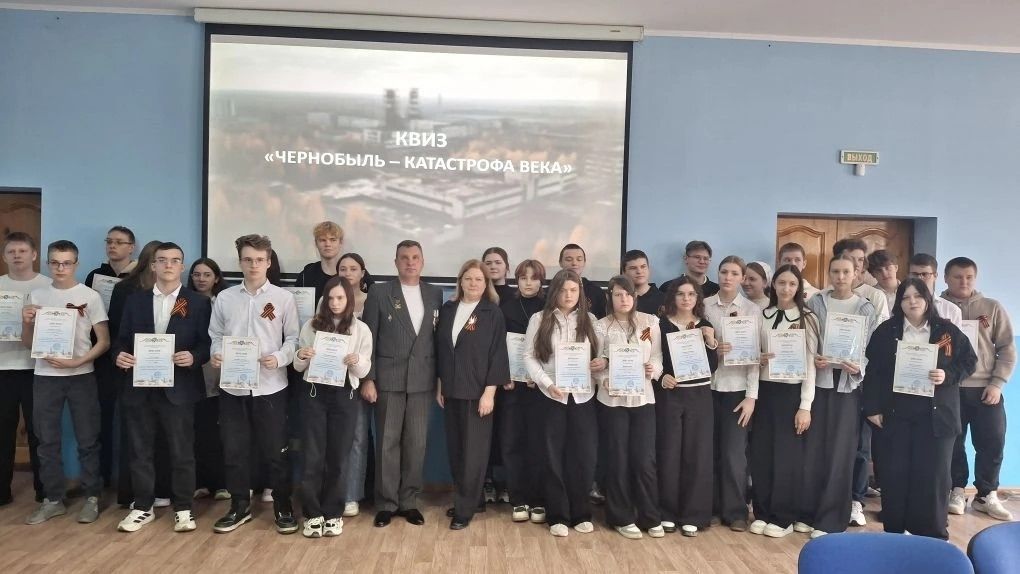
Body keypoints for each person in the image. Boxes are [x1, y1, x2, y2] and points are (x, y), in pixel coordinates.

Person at [863, 278, 976, 539]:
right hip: (896, 416)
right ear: (899, 302)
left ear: (927, 299)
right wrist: (872, 407)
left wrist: (947, 375)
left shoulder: (946, 330)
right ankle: (894, 533)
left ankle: (932, 537)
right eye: (905, 297)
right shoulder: (886, 331)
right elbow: (874, 372)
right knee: (895, 474)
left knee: (933, 478)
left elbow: (969, 361)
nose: (912, 302)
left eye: (917, 296)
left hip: (937, 417)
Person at [113, 242, 212, 533]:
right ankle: (143, 507)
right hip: (140, 388)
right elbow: (121, 339)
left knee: (182, 452)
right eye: (162, 260)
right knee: (140, 451)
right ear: (153, 265)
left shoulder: (198, 302)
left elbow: (207, 344)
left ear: (182, 266)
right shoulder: (136, 301)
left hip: (179, 389)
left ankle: (183, 508)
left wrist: (194, 357)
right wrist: (119, 355)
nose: (168, 265)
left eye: (175, 260)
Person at [209, 234, 300, 534]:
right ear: (240, 262)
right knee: (234, 449)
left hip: (270, 387)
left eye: (260, 260)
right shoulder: (225, 298)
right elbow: (215, 335)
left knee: (276, 451)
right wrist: (216, 354)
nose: (254, 265)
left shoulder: (284, 299)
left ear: (269, 262)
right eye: (248, 260)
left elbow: (294, 339)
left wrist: (280, 358)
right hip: (233, 387)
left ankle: (283, 506)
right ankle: (239, 507)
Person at [22, 240, 109, 525]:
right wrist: (27, 322)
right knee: (46, 440)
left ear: (76, 264)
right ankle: (53, 499)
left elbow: (104, 342)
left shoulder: (90, 296)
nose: (61, 268)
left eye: (67, 263)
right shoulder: (37, 295)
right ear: (47, 263)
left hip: (81, 377)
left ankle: (92, 496)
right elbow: (28, 343)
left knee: (88, 439)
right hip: (45, 377)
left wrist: (78, 361)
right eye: (55, 263)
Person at [361, 240, 443, 528]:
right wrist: (368, 379)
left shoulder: (434, 294)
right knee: (387, 443)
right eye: (404, 257)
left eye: (415, 257)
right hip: (389, 379)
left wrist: (439, 380)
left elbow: (436, 339)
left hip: (422, 380)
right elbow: (368, 338)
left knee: (416, 444)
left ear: (422, 261)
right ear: (395, 262)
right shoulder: (380, 292)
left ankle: (409, 502)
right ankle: (386, 504)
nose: (410, 262)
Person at [802, 254, 878, 538]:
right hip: (819, 381)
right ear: (829, 274)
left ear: (856, 274)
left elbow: (872, 349)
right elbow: (806, 339)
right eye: (835, 271)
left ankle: (831, 519)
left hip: (848, 386)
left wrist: (860, 367)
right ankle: (809, 512)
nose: (841, 277)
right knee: (814, 449)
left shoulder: (866, 308)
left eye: (846, 271)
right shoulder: (816, 302)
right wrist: (813, 357)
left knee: (840, 452)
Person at [292, 275, 373, 538]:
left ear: (349, 300)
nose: (335, 303)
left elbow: (364, 370)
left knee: (339, 456)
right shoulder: (311, 326)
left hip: (345, 395)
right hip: (314, 393)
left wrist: (356, 360)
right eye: (331, 298)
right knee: (313, 455)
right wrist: (302, 355)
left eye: (340, 298)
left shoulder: (361, 329)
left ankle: (333, 513)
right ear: (324, 300)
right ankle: (312, 514)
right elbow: (298, 365)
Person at [524, 269, 603, 537]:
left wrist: (600, 366)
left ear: (580, 292)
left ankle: (580, 513)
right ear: (554, 292)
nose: (568, 295)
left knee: (583, 456)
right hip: (551, 396)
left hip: (583, 397)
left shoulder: (590, 320)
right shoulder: (539, 319)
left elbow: (601, 356)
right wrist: (547, 383)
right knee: (552, 456)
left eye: (573, 290)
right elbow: (529, 357)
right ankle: (557, 514)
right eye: (563, 290)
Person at [436, 260, 509, 529]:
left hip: (478, 393)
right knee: (456, 450)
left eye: (479, 279)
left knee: (473, 454)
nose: (473, 283)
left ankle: (464, 510)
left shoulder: (492, 313)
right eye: (468, 278)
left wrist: (490, 393)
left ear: (486, 283)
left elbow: (498, 355)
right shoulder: (448, 309)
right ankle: (473, 500)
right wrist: (440, 385)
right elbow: (442, 350)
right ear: (460, 281)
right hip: (451, 390)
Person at [942, 257, 1016, 521]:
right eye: (957, 277)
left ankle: (986, 494)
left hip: (986, 388)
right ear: (946, 278)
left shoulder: (991, 308)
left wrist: (997, 383)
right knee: (953, 442)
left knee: (992, 440)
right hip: (950, 388)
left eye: (969, 277)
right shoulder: (938, 308)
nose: (964, 282)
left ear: (975, 278)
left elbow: (1006, 348)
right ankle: (956, 490)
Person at [749, 264, 819, 538]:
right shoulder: (761, 315)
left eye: (792, 284)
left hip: (791, 394)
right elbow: (752, 356)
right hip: (765, 391)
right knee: (762, 455)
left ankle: (783, 517)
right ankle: (762, 512)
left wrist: (805, 406)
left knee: (786, 458)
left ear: (798, 287)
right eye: (781, 283)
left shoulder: (807, 318)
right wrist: (758, 359)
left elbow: (811, 364)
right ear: (773, 285)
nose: (786, 288)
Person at [594, 275, 665, 539]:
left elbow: (657, 356)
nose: (623, 299)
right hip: (612, 401)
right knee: (617, 459)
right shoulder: (601, 327)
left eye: (628, 294)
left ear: (635, 297)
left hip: (643, 400)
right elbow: (596, 362)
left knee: (645, 460)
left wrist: (653, 369)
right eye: (618, 295)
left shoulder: (650, 322)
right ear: (610, 298)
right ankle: (621, 517)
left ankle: (650, 516)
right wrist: (603, 379)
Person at [831, 238, 888, 528]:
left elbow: (876, 344)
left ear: (859, 269)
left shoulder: (872, 301)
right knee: (830, 443)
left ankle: (855, 500)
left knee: (859, 445)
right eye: (844, 264)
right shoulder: (820, 300)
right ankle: (829, 499)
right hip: (827, 379)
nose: (848, 270)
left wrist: (860, 367)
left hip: (859, 381)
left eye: (858, 262)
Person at [656, 277, 719, 537]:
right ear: (672, 297)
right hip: (670, 395)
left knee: (697, 453)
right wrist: (661, 376)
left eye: (691, 294)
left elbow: (712, 366)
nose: (686, 298)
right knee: (669, 453)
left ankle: (694, 514)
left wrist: (711, 342)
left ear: (697, 298)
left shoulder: (705, 325)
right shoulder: (660, 324)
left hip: (699, 396)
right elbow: (653, 357)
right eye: (680, 294)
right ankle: (666, 513)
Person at [703, 256, 759, 532]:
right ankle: (712, 507)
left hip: (737, 391)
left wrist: (751, 396)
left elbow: (755, 357)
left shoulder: (751, 310)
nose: (727, 277)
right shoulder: (704, 305)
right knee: (709, 451)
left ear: (742, 278)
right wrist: (713, 349)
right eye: (724, 272)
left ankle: (736, 511)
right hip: (706, 389)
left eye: (734, 273)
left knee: (734, 454)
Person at [84, 225, 137, 489]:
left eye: (119, 242)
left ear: (131, 247)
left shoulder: (139, 277)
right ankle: (101, 478)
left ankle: (129, 482)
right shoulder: (95, 275)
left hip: (130, 355)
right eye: (109, 241)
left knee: (132, 419)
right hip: (101, 355)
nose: (112, 246)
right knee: (100, 418)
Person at [0, 232, 50, 506]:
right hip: (2, 368)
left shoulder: (48, 286)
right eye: (11, 251)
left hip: (37, 369)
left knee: (39, 431)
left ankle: (45, 491)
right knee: (2, 432)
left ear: (33, 255)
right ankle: (1, 491)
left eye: (22, 250)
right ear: (4, 256)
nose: (17, 255)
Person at [498, 259, 547, 524]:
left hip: (540, 388)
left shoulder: (549, 309)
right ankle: (518, 499)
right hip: (512, 387)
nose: (528, 282)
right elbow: (496, 347)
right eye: (523, 277)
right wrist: (503, 375)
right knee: (512, 441)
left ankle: (538, 499)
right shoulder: (505, 308)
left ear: (541, 281)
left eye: (534, 278)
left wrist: (540, 375)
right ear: (516, 280)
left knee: (538, 443)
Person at [334, 252, 373, 518]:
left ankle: (351, 495)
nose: (348, 273)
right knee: (334, 439)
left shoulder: (372, 300)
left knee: (358, 438)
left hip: (360, 378)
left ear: (362, 273)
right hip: (330, 380)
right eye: (343, 269)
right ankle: (333, 492)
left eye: (353, 268)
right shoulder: (328, 301)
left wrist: (369, 379)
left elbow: (376, 345)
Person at [187, 258, 229, 501]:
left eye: (207, 274)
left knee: (221, 431)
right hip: (193, 372)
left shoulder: (223, 302)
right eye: (196, 274)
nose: (201, 279)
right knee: (198, 430)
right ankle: (200, 481)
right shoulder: (183, 302)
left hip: (220, 371)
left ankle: (222, 483)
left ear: (216, 278)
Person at [295, 221, 344, 303]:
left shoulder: (352, 272)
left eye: (333, 240)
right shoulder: (306, 275)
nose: (327, 244)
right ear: (316, 243)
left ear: (341, 242)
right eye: (322, 240)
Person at [907, 254, 962, 327]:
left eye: (924, 274)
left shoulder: (951, 310)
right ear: (909, 276)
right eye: (915, 274)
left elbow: (956, 335)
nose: (919, 278)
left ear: (935, 276)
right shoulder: (899, 305)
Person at [558, 244, 606, 319]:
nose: (574, 263)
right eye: (569, 260)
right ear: (560, 263)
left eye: (579, 259)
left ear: (584, 262)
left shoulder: (597, 292)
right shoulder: (550, 291)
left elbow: (601, 320)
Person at [622, 249, 664, 316]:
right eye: (633, 268)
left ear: (649, 269)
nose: (639, 271)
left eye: (643, 267)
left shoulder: (665, 300)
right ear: (624, 273)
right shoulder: (619, 299)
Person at [868, 250, 899, 316]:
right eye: (879, 270)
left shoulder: (909, 290)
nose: (884, 274)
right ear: (873, 274)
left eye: (887, 268)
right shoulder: (870, 296)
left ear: (896, 268)